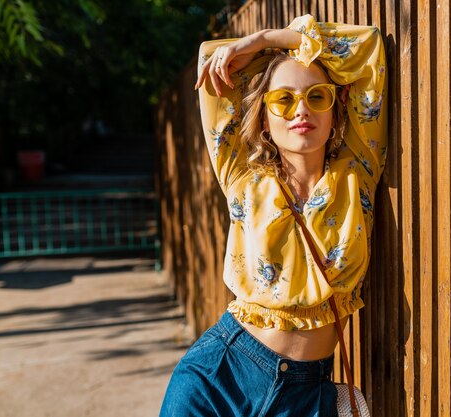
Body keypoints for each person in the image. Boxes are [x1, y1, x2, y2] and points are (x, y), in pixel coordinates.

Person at [160, 14, 387, 417]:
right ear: (265, 118)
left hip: (308, 396)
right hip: (220, 378)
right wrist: (256, 49)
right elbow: (212, 60)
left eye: (317, 96)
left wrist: (268, 37)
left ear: (336, 111)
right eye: (283, 99)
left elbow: (366, 46)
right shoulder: (241, 176)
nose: (301, 109)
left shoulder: (358, 174)